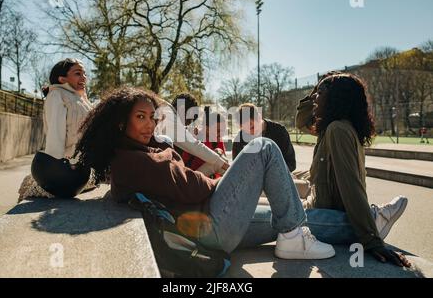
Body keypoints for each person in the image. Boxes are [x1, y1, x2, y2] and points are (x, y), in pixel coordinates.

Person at [75, 87, 336, 260]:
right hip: (210, 226)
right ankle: (293, 237)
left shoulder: (133, 154)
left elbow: (180, 180)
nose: (151, 124)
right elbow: (194, 187)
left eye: (153, 117)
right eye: (141, 117)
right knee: (263, 148)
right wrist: (233, 180)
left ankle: (364, 222)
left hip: (203, 225)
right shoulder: (135, 161)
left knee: (290, 216)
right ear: (121, 122)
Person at [295, 72, 411, 267]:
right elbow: (301, 121)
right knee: (280, 186)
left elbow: (351, 186)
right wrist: (321, 86)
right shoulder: (329, 127)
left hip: (329, 214)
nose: (314, 96)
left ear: (335, 98)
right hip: (318, 201)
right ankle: (373, 218)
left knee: (277, 215)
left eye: (319, 92)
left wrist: (371, 240)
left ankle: (374, 219)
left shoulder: (338, 130)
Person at [18, 58, 93, 201]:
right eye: (78, 73)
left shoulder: (82, 99)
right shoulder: (57, 95)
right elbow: (55, 134)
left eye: (84, 74)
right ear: (62, 78)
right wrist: (57, 170)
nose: (84, 77)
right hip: (68, 167)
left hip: (84, 164)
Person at [181, 110, 227, 178]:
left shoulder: (218, 140)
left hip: (206, 178)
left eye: (224, 131)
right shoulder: (195, 136)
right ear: (207, 129)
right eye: (218, 130)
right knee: (217, 160)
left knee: (221, 159)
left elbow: (224, 163)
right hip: (190, 177)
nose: (221, 134)